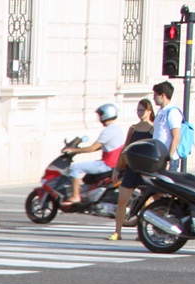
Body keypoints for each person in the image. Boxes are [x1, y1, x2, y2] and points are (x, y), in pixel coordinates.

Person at [109, 98, 154, 241]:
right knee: (122, 200)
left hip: (145, 169)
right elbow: (125, 148)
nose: (140, 113)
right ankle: (117, 231)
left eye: (142, 110)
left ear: (149, 111)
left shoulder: (153, 129)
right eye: (138, 110)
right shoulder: (133, 128)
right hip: (131, 168)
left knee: (146, 203)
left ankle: (142, 233)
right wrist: (117, 168)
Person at [63, 103, 125, 206]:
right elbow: (103, 146)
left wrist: (73, 150)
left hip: (107, 164)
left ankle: (75, 196)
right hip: (114, 163)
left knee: (75, 168)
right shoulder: (116, 129)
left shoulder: (108, 131)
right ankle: (86, 194)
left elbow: (93, 148)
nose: (99, 117)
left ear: (105, 115)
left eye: (100, 115)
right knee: (87, 177)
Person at [151, 81, 183, 166]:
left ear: (162, 96)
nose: (153, 98)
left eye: (155, 95)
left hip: (167, 159)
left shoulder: (172, 112)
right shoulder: (161, 111)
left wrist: (169, 158)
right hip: (158, 156)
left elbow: (176, 137)